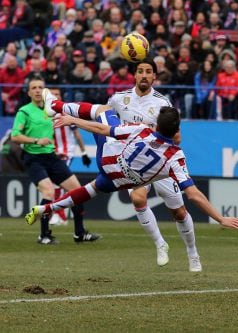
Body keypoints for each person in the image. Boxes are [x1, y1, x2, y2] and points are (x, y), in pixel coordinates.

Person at [50, 60, 205, 272]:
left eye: (148, 72)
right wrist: (69, 114)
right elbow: (100, 116)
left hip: (160, 163)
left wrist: (150, 132)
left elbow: (176, 137)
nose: (144, 75)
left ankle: (192, 252)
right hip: (133, 163)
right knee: (137, 197)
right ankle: (160, 244)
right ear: (134, 75)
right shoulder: (119, 99)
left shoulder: (163, 103)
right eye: (140, 71)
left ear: (154, 77)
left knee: (178, 212)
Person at [25, 102, 238, 235]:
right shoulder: (175, 157)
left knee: (104, 111)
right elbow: (194, 195)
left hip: (110, 163)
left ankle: (55, 105)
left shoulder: (142, 130)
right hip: (123, 181)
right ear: (176, 129)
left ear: (157, 125)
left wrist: (74, 120)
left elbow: (103, 129)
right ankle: (47, 209)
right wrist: (220, 218)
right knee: (91, 189)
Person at [10, 76, 100, 245]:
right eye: (34, 88)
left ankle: (79, 234)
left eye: (40, 87)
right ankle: (44, 235)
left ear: (45, 91)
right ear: (29, 92)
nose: (37, 90)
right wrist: (36, 141)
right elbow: (15, 136)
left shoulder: (50, 110)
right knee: (49, 192)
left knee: (78, 192)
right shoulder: (24, 111)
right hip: (33, 158)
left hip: (51, 156)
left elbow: (70, 126)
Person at [49, 88, 92, 226]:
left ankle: (59, 215)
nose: (55, 96)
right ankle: (62, 214)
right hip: (52, 153)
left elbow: (77, 134)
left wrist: (84, 152)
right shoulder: (45, 113)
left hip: (66, 152)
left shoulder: (66, 112)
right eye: (52, 95)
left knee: (58, 183)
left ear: (61, 96)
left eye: (57, 94)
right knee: (57, 184)